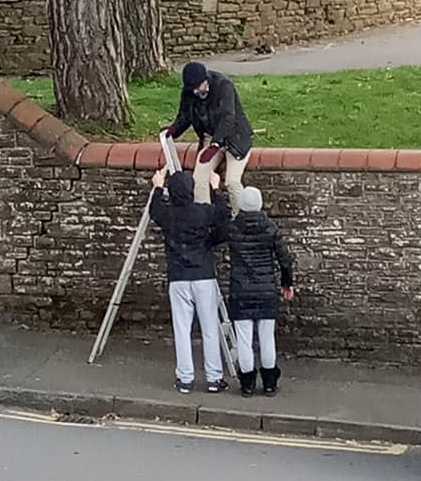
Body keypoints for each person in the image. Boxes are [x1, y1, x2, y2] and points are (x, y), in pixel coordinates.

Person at [149, 168, 229, 394]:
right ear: (192, 190)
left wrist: (157, 185)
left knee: (182, 330)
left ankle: (185, 379)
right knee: (210, 328)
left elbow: (154, 210)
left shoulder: (168, 215)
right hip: (203, 275)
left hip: (178, 277)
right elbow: (223, 214)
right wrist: (215, 188)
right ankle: (214, 379)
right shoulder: (202, 212)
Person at [218, 186, 294, 397]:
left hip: (241, 290)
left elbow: (213, 237)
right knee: (267, 338)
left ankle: (247, 384)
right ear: (259, 204)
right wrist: (287, 283)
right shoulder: (270, 228)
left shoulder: (232, 228)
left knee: (244, 339)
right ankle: (269, 383)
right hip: (266, 289)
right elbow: (284, 258)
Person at [162, 61, 253, 215]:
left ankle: (241, 219)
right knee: (199, 177)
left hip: (235, 138)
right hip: (210, 137)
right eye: (193, 89)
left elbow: (228, 118)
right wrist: (174, 129)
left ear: (206, 80)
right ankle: (203, 218)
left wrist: (216, 144)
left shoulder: (223, 86)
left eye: (199, 86)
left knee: (232, 181)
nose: (196, 91)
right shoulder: (189, 92)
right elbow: (185, 115)